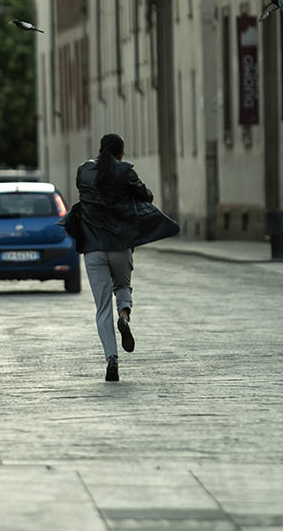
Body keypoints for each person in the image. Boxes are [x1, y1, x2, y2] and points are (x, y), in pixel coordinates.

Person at [73, 133, 179, 382]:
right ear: (121, 153)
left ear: (99, 150)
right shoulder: (126, 173)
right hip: (120, 246)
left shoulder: (83, 172)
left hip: (93, 249)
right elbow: (146, 196)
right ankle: (124, 316)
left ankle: (112, 360)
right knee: (122, 286)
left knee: (101, 308)